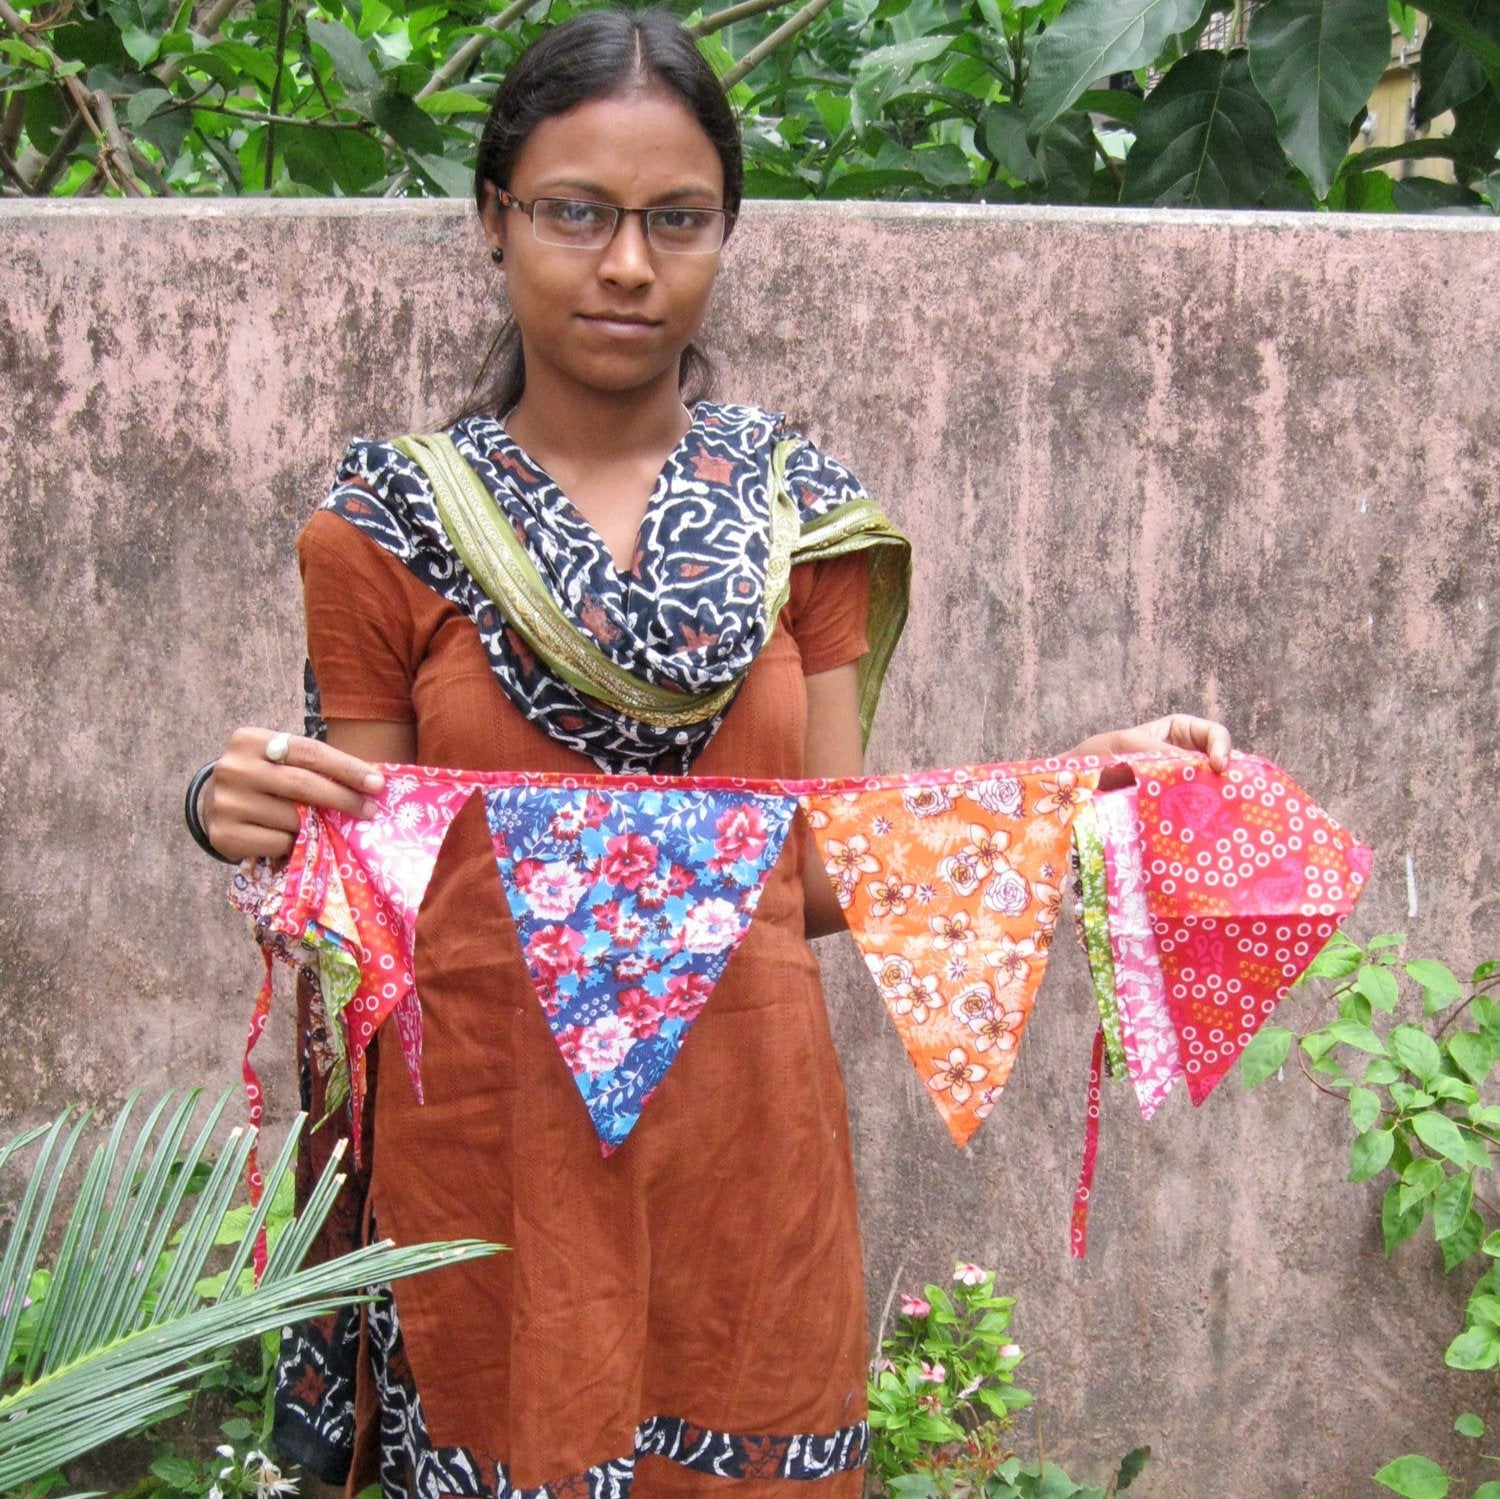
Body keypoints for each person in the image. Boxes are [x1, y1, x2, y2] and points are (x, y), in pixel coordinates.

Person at [189, 9, 1232, 1496]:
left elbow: (811, 866)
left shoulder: (807, 525)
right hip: (489, 1140)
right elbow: (366, 885)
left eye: (676, 220)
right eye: (576, 213)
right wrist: (234, 811)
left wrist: (1071, 793)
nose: (627, 263)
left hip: (745, 1140)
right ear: (496, 221)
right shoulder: (387, 529)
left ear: (724, 232)